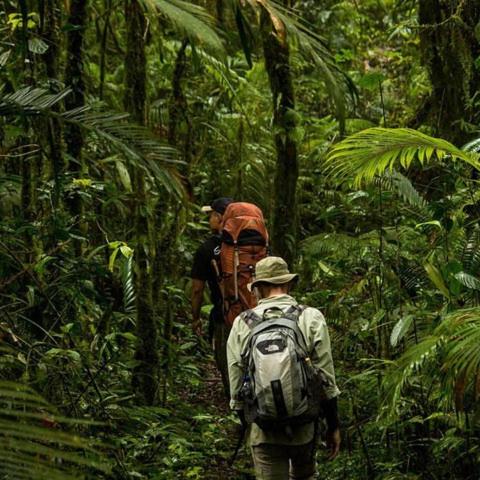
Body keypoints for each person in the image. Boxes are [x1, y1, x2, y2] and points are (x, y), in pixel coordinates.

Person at [227, 256, 341, 479]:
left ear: (258, 288)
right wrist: (333, 426)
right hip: (304, 427)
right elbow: (326, 378)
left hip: (264, 431)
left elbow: (236, 385)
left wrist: (250, 422)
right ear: (288, 283)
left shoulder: (242, 323)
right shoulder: (310, 317)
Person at [191, 197, 233, 397]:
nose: (209, 220)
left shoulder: (206, 249)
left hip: (224, 314)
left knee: (226, 359)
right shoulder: (253, 243)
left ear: (219, 217)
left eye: (211, 216)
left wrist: (195, 317)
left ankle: (235, 401)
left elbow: (197, 290)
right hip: (255, 310)